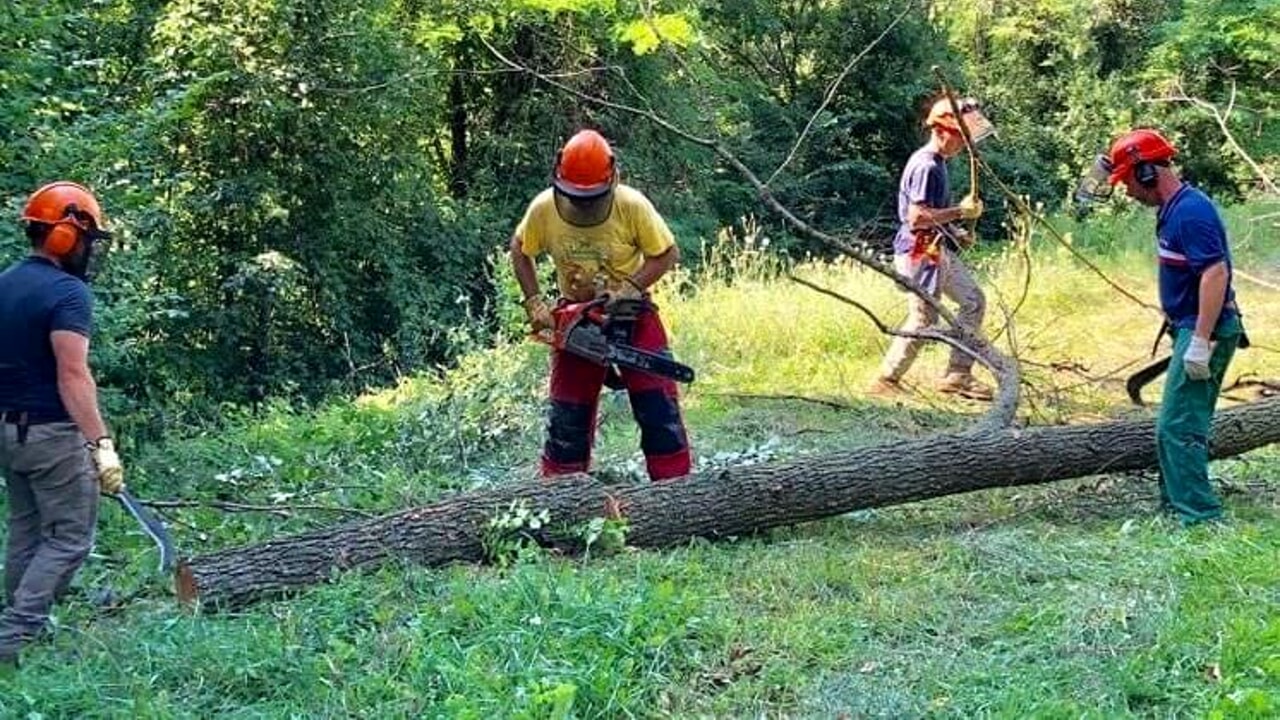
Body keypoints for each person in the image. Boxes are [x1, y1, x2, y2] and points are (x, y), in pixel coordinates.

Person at [509, 129, 691, 482]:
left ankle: (675, 490)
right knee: (567, 416)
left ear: (611, 177)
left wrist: (630, 287)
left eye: (591, 196)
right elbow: (520, 249)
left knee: (658, 406)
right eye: (576, 196)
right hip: (576, 316)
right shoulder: (544, 208)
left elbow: (666, 253)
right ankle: (561, 492)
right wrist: (534, 302)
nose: (583, 203)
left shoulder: (631, 205)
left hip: (631, 313)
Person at [1085, 128, 1243, 526]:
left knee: (1179, 426)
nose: (1128, 192)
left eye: (1129, 182)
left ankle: (1199, 516)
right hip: (1188, 325)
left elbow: (1215, 273)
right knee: (1173, 424)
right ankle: (1175, 504)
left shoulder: (1191, 212)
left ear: (1148, 172)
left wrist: (1201, 341)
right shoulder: (1173, 209)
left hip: (1203, 329)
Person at [0, 182, 124, 666]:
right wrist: (102, 445)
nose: (89, 250)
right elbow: (73, 375)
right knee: (71, 536)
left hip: (7, 431)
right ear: (64, 236)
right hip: (50, 433)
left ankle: (17, 616)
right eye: (87, 239)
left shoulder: (5, 282)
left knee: (27, 527)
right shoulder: (68, 293)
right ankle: (15, 637)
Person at [870, 98, 993, 401]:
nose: (963, 145)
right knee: (924, 320)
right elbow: (916, 218)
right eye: (959, 137)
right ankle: (887, 378)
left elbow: (933, 214)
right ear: (940, 131)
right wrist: (960, 213)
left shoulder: (939, 164)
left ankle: (957, 375)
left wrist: (955, 232)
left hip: (937, 249)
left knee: (973, 300)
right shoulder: (926, 165)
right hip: (919, 252)